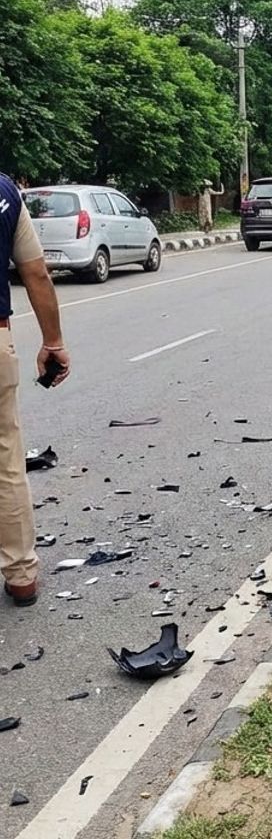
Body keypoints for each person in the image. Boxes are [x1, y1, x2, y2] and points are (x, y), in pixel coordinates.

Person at [1, 174, 70, 607]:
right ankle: (22, 574)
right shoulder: (5, 191)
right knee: (6, 460)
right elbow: (35, 272)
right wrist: (53, 341)